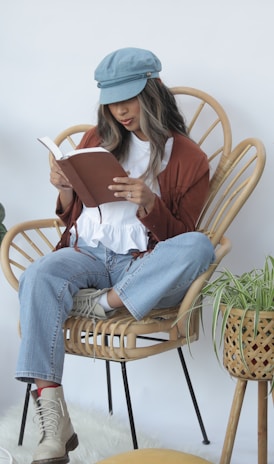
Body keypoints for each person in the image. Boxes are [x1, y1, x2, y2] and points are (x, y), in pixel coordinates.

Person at [16, 47, 215, 464]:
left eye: (130, 98)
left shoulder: (190, 158)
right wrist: (64, 186)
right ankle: (55, 424)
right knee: (38, 275)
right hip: (86, 254)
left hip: (139, 266)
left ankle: (109, 303)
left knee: (200, 246)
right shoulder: (95, 139)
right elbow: (76, 214)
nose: (121, 111)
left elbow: (183, 237)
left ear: (153, 90)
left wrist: (149, 204)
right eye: (112, 101)